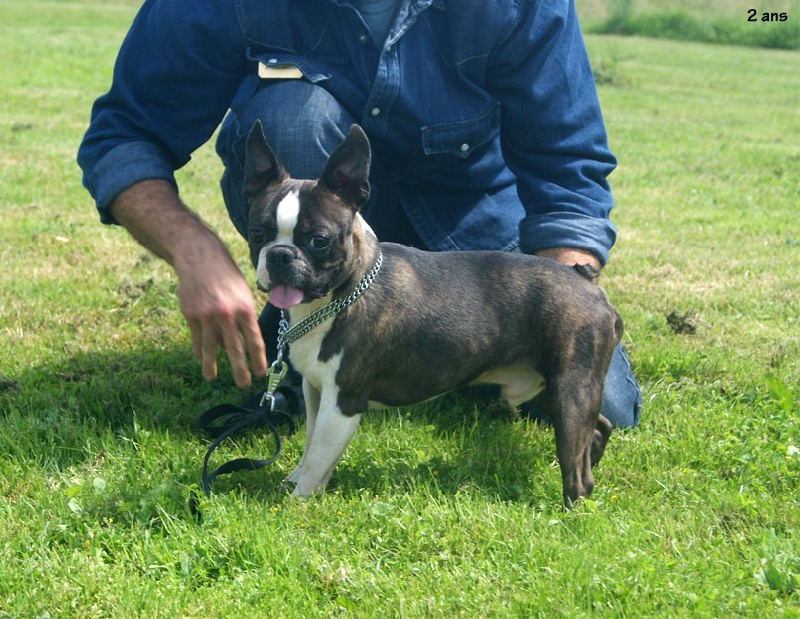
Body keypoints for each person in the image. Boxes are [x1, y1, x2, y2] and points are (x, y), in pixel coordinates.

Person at [78, 0, 641, 428]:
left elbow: (567, 161)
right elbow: (124, 133)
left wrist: (562, 297)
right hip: (327, 246)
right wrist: (192, 250)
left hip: (471, 229)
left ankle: (415, 354)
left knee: (606, 405)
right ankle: (314, 335)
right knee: (291, 115)